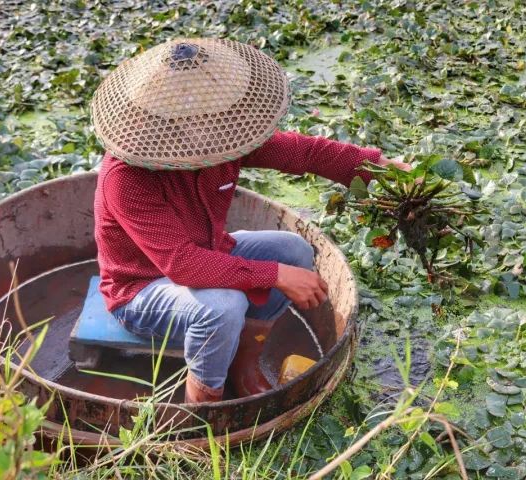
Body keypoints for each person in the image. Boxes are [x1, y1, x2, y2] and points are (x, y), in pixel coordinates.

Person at [90, 38, 408, 403]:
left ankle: (246, 355)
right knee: (223, 305)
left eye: (215, 115)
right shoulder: (127, 176)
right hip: (142, 289)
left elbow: (305, 152)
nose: (212, 126)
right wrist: (274, 275)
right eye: (197, 120)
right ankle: (203, 401)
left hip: (208, 252)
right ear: (161, 122)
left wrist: (380, 169)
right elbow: (182, 265)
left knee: (293, 250)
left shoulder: (223, 139)